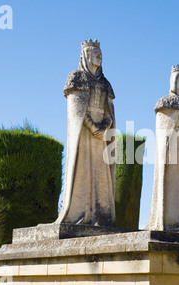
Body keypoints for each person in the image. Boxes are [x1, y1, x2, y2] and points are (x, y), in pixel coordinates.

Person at [55, 39, 116, 226]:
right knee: (83, 170)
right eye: (94, 53)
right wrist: (92, 126)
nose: (99, 56)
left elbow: (109, 112)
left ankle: (100, 215)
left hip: (101, 134)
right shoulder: (77, 78)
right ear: (85, 55)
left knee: (100, 174)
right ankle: (82, 213)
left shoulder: (105, 83)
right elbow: (76, 112)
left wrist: (104, 126)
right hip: (84, 133)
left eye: (100, 53)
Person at [146, 65, 179, 231]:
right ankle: (171, 221)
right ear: (173, 81)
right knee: (173, 185)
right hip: (173, 149)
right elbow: (164, 131)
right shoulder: (166, 103)